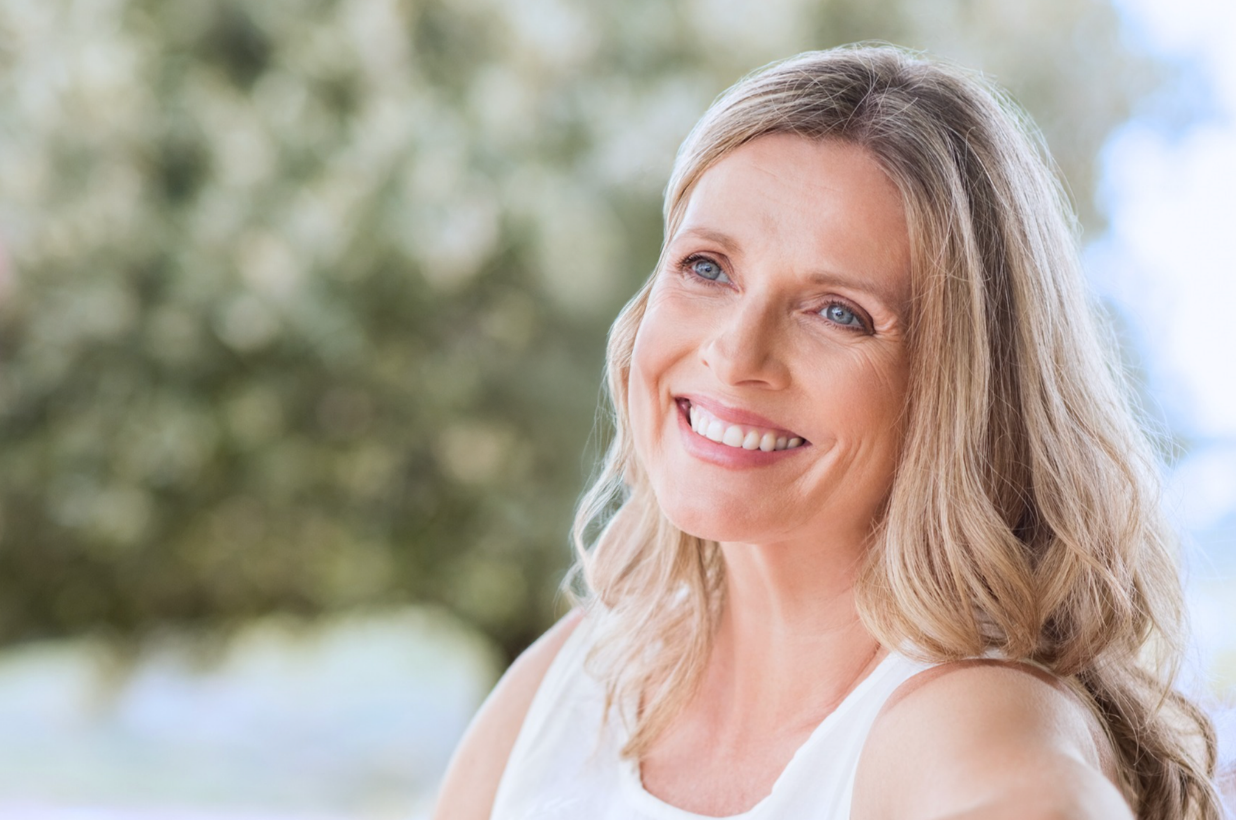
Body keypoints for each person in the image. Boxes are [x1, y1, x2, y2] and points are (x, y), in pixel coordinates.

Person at [434, 44, 1223, 820]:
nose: (736, 353)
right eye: (707, 267)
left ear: (959, 389)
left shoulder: (971, 719)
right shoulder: (572, 682)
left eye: (838, 313)